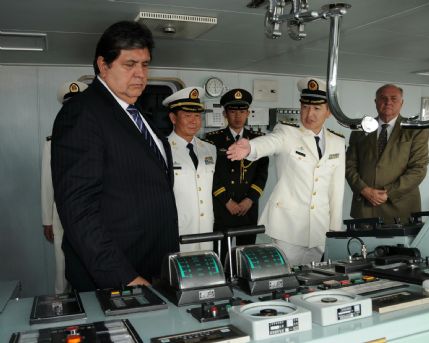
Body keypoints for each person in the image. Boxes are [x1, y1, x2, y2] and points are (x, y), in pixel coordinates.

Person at [51, 21, 179, 291]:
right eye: (129, 64)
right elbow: (78, 210)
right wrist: (124, 278)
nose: (140, 74)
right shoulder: (83, 113)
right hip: (117, 277)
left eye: (145, 65)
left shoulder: (137, 114)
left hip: (154, 267)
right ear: (103, 65)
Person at [226, 78, 345, 266]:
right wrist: (250, 147)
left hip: (319, 230)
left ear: (329, 111)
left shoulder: (338, 143)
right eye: (305, 107)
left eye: (316, 108)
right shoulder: (287, 133)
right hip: (288, 228)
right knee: (284, 279)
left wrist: (335, 232)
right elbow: (270, 142)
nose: (309, 114)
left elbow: (337, 192)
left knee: (314, 278)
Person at [346, 84, 429, 224]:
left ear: (402, 102)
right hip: (365, 208)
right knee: (363, 246)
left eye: (393, 98)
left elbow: (418, 169)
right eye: (383, 98)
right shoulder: (361, 129)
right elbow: (349, 166)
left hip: (401, 209)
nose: (388, 102)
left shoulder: (416, 130)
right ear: (375, 102)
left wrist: (388, 193)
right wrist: (364, 189)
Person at [205, 89, 268, 260]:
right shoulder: (212, 140)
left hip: (248, 208)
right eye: (233, 112)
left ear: (248, 113)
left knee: (247, 256)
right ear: (225, 114)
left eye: (242, 112)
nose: (238, 116)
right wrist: (226, 201)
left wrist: (250, 199)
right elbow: (210, 174)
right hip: (223, 207)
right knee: (220, 255)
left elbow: (262, 174)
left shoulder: (258, 140)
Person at [42, 81, 87, 294]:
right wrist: (47, 220)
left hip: (93, 214)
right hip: (61, 214)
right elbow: (47, 181)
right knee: (62, 268)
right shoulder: (53, 142)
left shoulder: (98, 138)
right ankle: (63, 308)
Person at [163, 87, 216, 253]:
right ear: (173, 118)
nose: (194, 121)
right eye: (187, 116)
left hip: (206, 230)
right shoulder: (162, 149)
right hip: (178, 230)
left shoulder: (210, 149)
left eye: (197, 116)